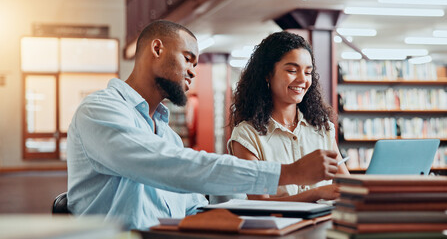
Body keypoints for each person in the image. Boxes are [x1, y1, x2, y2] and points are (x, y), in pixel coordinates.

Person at [66, 20, 339, 230]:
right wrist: (287, 174)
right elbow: (170, 165)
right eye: (188, 58)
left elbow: (195, 208)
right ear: (157, 49)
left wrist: (244, 217)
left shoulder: (168, 136)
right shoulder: (100, 110)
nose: (193, 71)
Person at [228, 31, 349, 202]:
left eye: (308, 73)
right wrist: (317, 193)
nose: (302, 79)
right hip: (280, 227)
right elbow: (260, 204)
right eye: (292, 70)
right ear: (268, 74)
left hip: (325, 224)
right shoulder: (246, 135)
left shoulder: (322, 127)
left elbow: (347, 184)